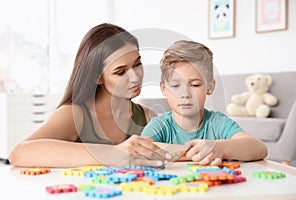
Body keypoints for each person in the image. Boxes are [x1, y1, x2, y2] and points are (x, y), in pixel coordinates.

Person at [9, 23, 170, 168]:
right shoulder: (74, 115)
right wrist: (114, 153)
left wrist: (193, 148)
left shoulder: (148, 116)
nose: (135, 77)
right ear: (97, 77)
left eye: (137, 64)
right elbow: (19, 154)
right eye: (120, 72)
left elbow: (167, 154)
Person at [141, 40, 268, 166]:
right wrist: (194, 153)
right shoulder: (160, 125)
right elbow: (141, 151)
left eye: (195, 85)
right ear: (163, 89)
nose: (185, 94)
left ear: (210, 87)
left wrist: (220, 148)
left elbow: (259, 148)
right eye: (175, 85)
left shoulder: (217, 122)